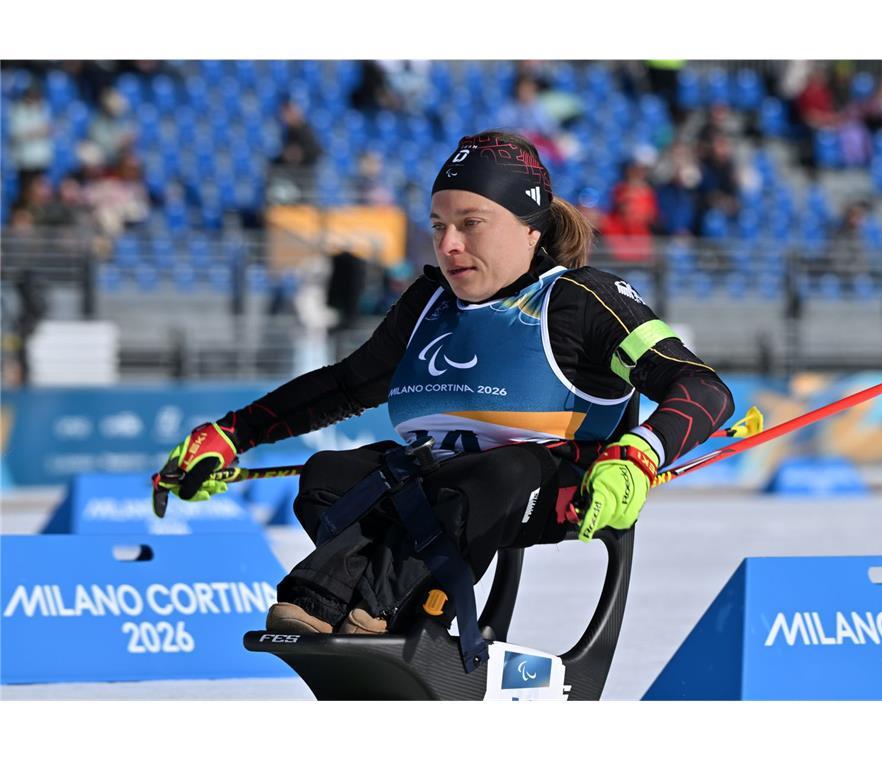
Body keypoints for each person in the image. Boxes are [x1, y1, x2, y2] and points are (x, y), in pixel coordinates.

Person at [155, 131, 734, 645]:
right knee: (326, 479)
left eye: (470, 224)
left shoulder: (584, 299)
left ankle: (377, 607)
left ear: (530, 229)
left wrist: (640, 454)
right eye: (438, 226)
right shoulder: (427, 304)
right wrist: (232, 434)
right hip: (432, 480)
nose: (449, 244)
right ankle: (333, 604)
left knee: (487, 481)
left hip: (546, 485)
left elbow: (702, 388)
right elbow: (344, 385)